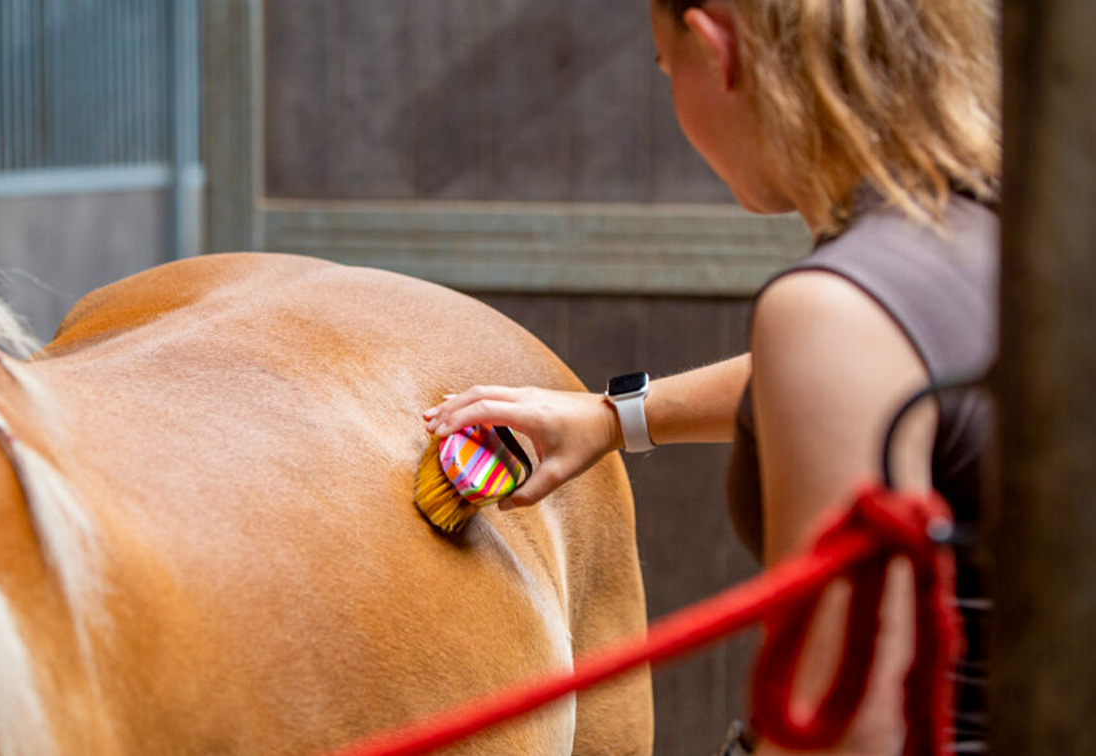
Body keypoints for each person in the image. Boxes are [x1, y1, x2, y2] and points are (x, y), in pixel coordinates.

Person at [423, 1, 1000, 754]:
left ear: (714, 45)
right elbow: (892, 367)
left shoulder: (834, 312)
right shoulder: (995, 230)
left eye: (667, 68)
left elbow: (844, 735)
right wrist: (612, 418)